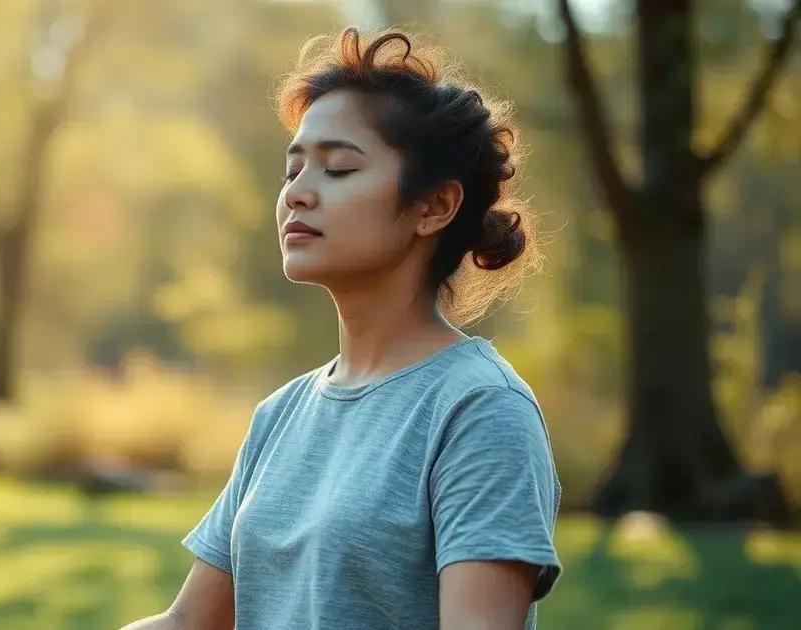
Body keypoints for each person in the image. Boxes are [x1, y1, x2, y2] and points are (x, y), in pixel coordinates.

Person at [122, 25, 561, 630]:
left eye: (338, 169)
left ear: (433, 206)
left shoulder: (481, 409)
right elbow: (187, 624)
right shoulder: (280, 414)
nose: (297, 195)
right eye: (292, 170)